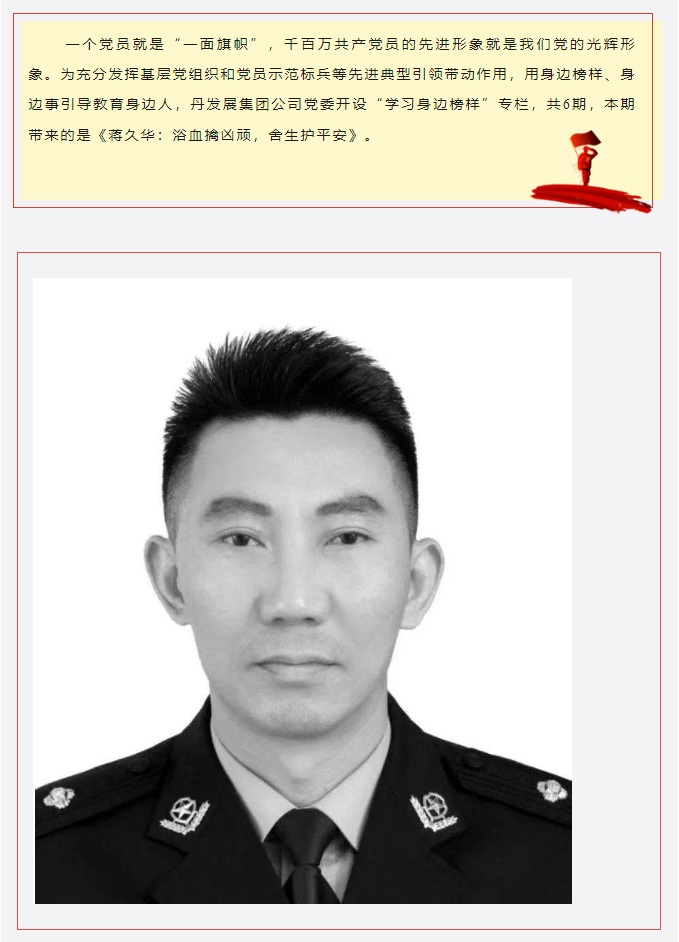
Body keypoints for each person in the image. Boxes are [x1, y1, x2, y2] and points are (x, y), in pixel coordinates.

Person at [35, 328, 571, 904]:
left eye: (346, 536)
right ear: (171, 580)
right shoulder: (36, 867)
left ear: (416, 583)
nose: (293, 602)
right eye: (242, 538)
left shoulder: (572, 859)